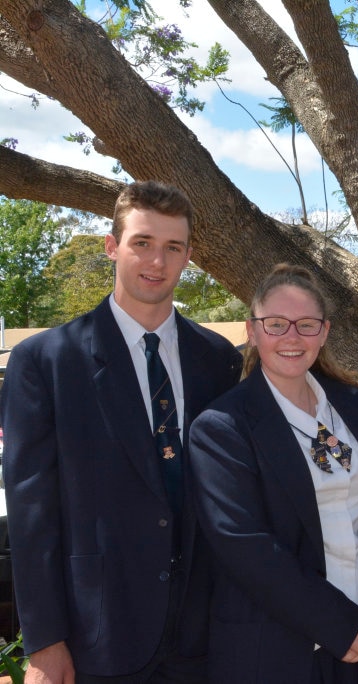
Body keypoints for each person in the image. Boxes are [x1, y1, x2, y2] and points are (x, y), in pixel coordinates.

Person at [0, 181, 242, 683]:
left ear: (189, 256)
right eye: (142, 243)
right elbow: (32, 515)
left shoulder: (218, 360)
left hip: (204, 637)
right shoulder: (45, 362)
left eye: (172, 247)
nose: (157, 261)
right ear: (112, 247)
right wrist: (45, 642)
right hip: (98, 636)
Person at [187, 264, 358, 683]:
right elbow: (248, 549)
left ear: (325, 331)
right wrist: (344, 626)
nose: (292, 337)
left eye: (306, 324)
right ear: (253, 330)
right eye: (276, 324)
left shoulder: (352, 405)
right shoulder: (222, 427)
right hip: (277, 652)